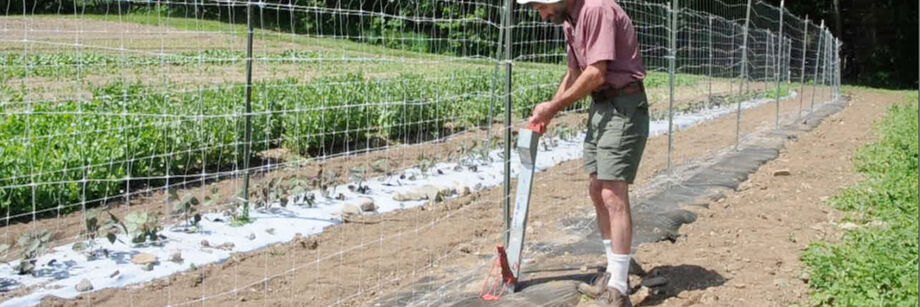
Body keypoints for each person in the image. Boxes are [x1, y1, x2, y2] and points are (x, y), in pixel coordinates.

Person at [517, 0, 648, 305]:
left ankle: (618, 290)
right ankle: (614, 275)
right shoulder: (569, 19)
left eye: (541, 7)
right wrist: (547, 110)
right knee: (596, 188)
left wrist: (555, 107)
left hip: (624, 106)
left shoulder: (597, 9)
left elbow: (597, 73)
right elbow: (575, 72)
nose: (542, 14)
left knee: (612, 194)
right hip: (602, 107)